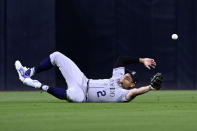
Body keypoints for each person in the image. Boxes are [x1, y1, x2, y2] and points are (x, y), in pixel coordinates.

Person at [15, 51, 162, 103]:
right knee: (56, 56)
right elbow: (121, 60)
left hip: (83, 95)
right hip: (82, 80)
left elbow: (136, 92)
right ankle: (29, 72)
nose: (125, 78)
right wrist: (142, 60)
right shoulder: (118, 77)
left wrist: (150, 87)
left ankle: (36, 85)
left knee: (76, 98)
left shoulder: (124, 94)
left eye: (129, 79)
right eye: (126, 75)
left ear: (131, 85)